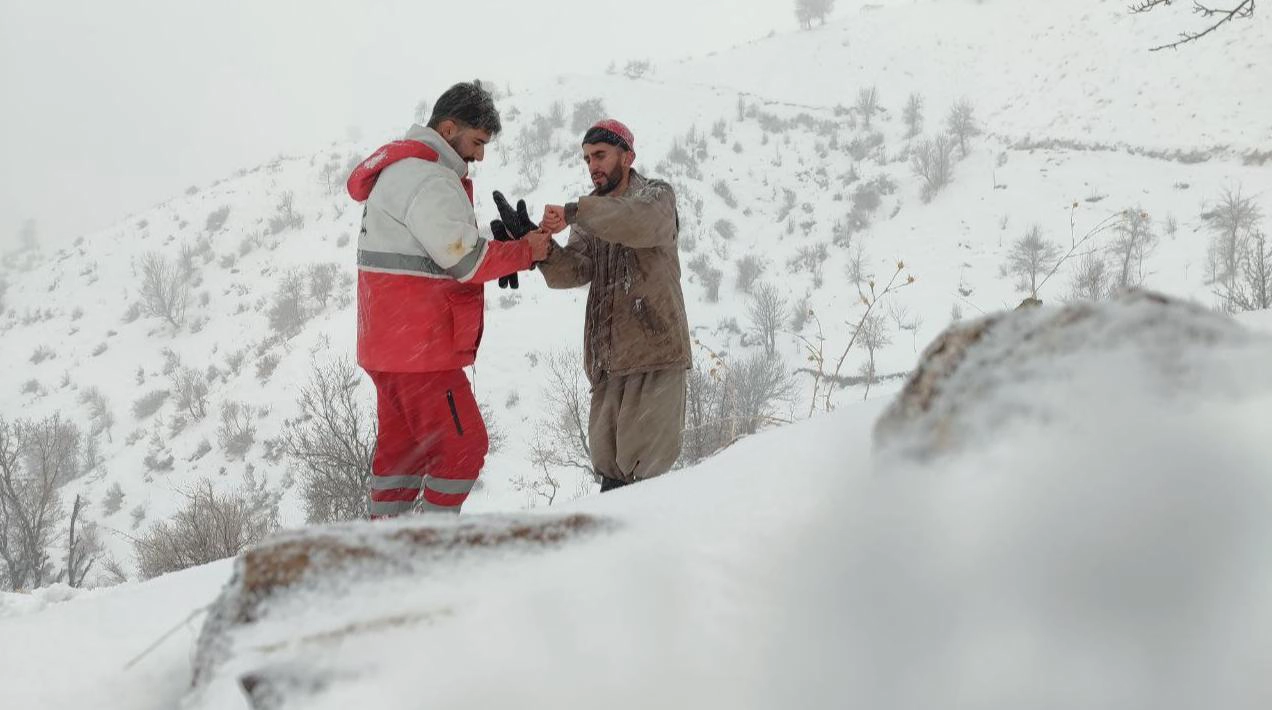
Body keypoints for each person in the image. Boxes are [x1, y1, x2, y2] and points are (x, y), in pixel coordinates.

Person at [346, 81, 551, 518]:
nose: (479, 156)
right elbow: (466, 263)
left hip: (387, 348)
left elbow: (435, 248)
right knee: (464, 445)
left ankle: (386, 548)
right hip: (421, 351)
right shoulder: (429, 178)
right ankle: (431, 547)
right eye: (477, 142)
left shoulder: (401, 171)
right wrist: (526, 252)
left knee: (399, 459)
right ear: (449, 127)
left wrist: (496, 243)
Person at [536, 119, 691, 492]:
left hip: (655, 357)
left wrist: (575, 212)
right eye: (587, 158)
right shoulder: (592, 214)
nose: (593, 166)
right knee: (610, 480)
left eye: (601, 155)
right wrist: (540, 249)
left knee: (647, 483)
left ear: (628, 156)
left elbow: (636, 223)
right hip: (607, 365)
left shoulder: (656, 197)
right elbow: (573, 271)